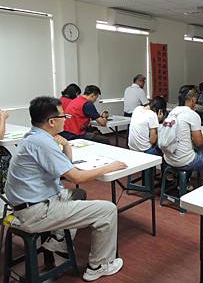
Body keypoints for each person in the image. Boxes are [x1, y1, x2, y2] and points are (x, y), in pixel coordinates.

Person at [4, 96, 127, 281]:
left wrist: (67, 145)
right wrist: (111, 167)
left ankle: (59, 240)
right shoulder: (43, 143)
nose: (66, 119)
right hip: (36, 212)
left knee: (78, 193)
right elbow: (76, 176)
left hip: (26, 205)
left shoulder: (34, 137)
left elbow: (62, 168)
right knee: (108, 210)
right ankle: (99, 265)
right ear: (52, 121)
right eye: (64, 116)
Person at [163, 85, 203, 183]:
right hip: (184, 160)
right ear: (193, 99)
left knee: (196, 150)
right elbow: (199, 142)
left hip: (168, 158)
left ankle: (184, 184)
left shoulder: (172, 112)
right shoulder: (192, 115)